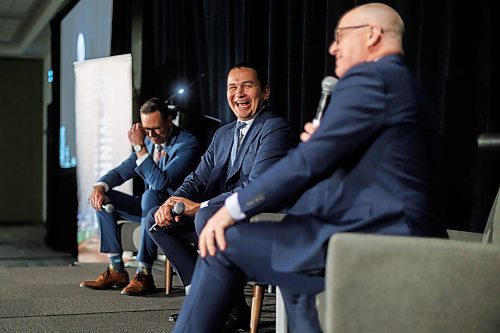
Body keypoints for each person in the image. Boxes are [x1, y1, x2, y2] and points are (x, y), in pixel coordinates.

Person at [172, 3, 448, 332]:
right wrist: (331, 145)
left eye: (341, 37)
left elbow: (307, 162)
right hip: (388, 231)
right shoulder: (402, 85)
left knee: (222, 244)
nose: (333, 47)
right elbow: (379, 170)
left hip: (376, 236)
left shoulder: (371, 77)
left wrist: (233, 208)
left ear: (373, 35)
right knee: (291, 266)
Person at [145, 62, 297, 327]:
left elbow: (257, 187)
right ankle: (212, 304)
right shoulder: (223, 133)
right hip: (219, 219)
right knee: (154, 221)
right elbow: (197, 178)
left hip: (258, 219)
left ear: (266, 92)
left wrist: (199, 206)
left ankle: (215, 309)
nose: (239, 93)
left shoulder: (274, 128)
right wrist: (172, 202)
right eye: (232, 87)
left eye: (247, 86)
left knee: (205, 215)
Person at [80, 97, 201, 296]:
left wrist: (140, 149)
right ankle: (116, 269)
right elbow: (123, 171)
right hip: (149, 207)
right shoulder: (146, 142)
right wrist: (99, 186)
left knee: (151, 194)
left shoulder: (188, 144)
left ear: (170, 120)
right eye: (146, 130)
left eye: (156, 129)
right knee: (105, 198)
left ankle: (144, 272)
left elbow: (161, 183)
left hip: (174, 212)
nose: (151, 135)